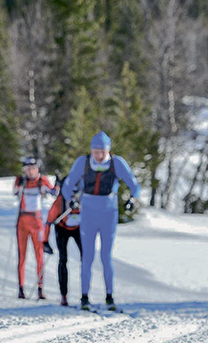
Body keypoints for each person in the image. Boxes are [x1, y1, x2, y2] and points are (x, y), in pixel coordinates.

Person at [62, 132, 140, 311]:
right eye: (96, 151)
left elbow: (134, 185)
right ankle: (84, 296)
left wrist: (132, 200)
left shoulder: (117, 163)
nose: (99, 155)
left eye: (102, 151)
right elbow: (67, 185)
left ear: (108, 150)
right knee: (87, 256)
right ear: (91, 150)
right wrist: (71, 198)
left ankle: (109, 296)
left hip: (108, 212)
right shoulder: (82, 162)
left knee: (106, 256)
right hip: (88, 211)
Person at [13, 157, 55, 300]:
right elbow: (14, 191)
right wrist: (19, 185)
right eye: (27, 169)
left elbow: (52, 192)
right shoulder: (21, 180)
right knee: (22, 256)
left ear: (37, 169)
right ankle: (21, 288)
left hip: (36, 221)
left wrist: (56, 187)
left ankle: (40, 288)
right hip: (22, 220)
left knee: (39, 256)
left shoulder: (41, 181)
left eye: (33, 168)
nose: (30, 171)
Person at [43, 175, 82, 307]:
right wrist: (45, 241)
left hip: (78, 229)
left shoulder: (83, 198)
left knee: (85, 260)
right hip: (62, 228)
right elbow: (49, 220)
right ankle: (63, 295)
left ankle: (85, 294)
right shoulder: (60, 201)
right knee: (63, 260)